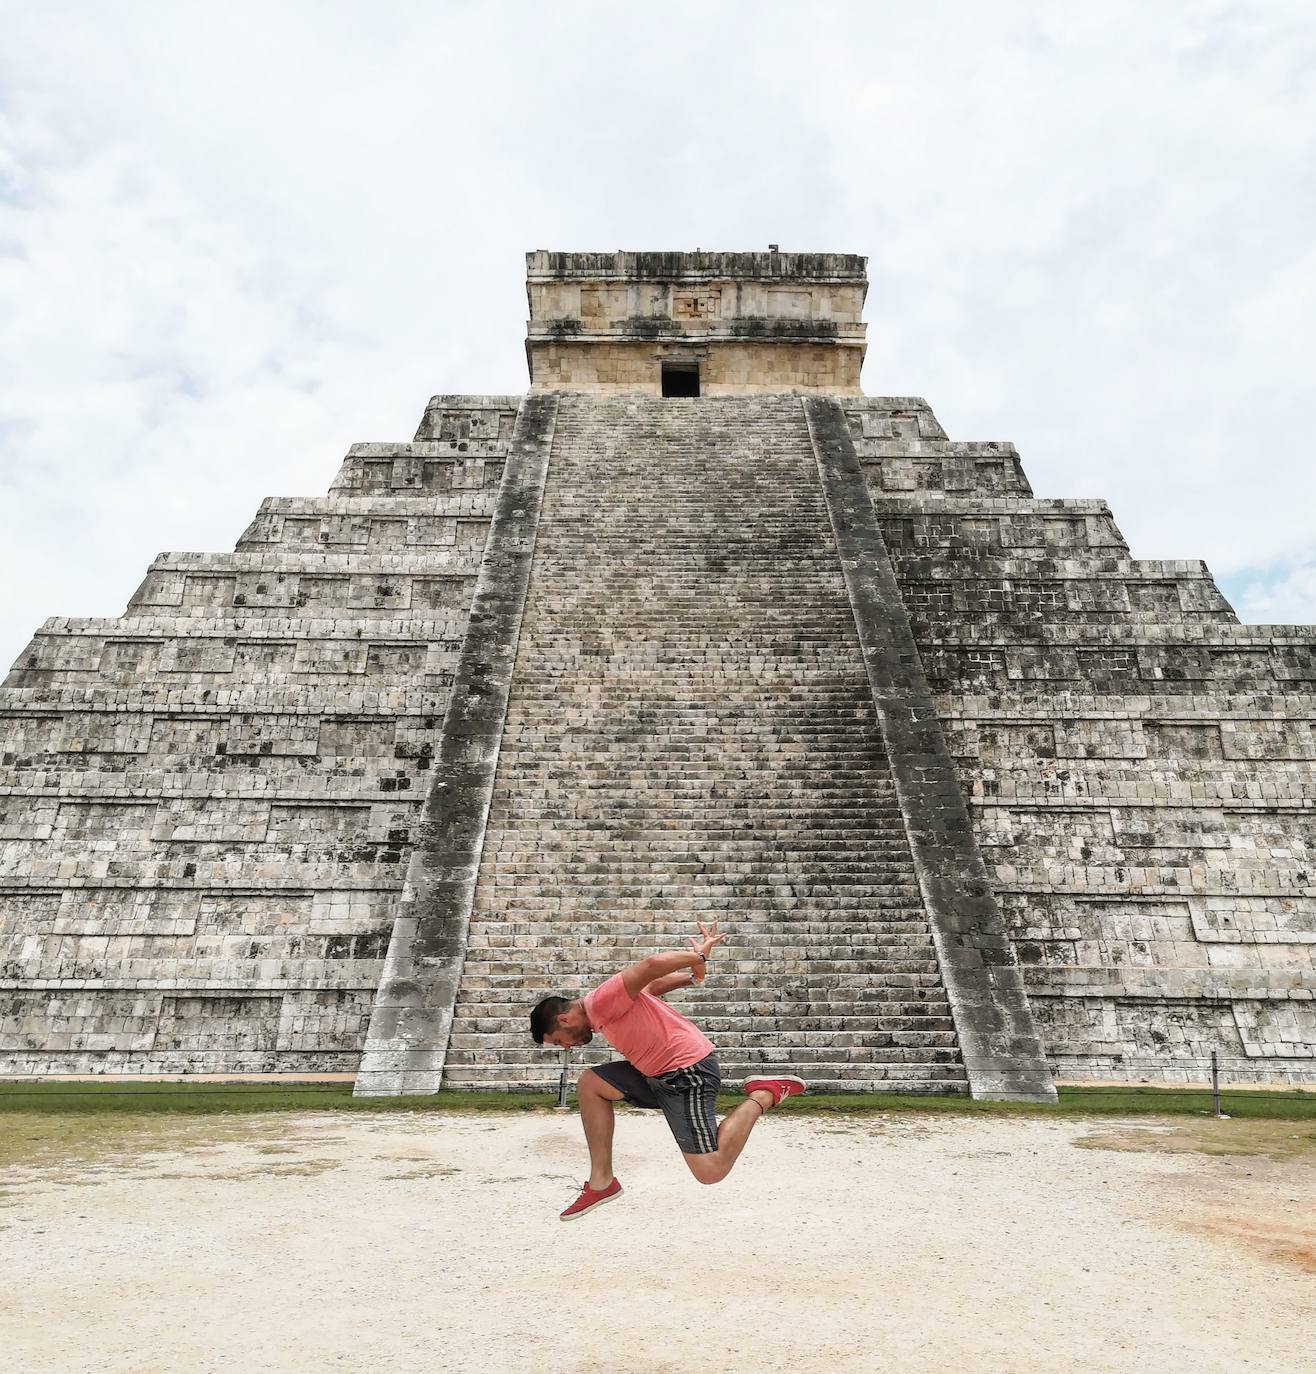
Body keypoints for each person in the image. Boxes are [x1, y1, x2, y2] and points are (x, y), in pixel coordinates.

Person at [529, 920, 806, 1219]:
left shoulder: (600, 1001)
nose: (567, 1047)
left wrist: (698, 957)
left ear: (564, 1020)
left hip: (687, 1073)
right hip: (657, 1075)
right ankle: (602, 1182)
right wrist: (692, 978)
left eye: (560, 1041)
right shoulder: (605, 1009)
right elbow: (651, 986)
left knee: (710, 1171)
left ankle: (765, 1093)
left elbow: (651, 965)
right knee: (591, 1083)